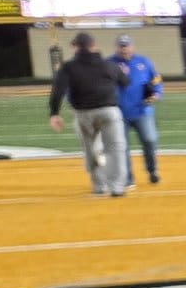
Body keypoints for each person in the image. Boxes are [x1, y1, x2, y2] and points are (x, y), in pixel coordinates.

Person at [47, 32, 131, 196]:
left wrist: (54, 113)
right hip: (109, 111)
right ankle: (117, 186)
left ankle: (99, 185)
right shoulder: (108, 65)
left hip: (83, 113)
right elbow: (125, 82)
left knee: (90, 149)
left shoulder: (69, 67)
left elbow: (58, 90)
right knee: (115, 148)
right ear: (94, 45)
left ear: (74, 46)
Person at [112, 34, 164, 185]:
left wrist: (156, 94)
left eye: (126, 46)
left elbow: (156, 80)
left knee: (150, 140)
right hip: (119, 113)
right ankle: (127, 178)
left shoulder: (144, 62)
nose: (124, 49)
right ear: (117, 47)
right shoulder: (109, 63)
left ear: (132, 46)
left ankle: (152, 170)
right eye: (121, 46)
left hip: (143, 111)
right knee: (122, 147)